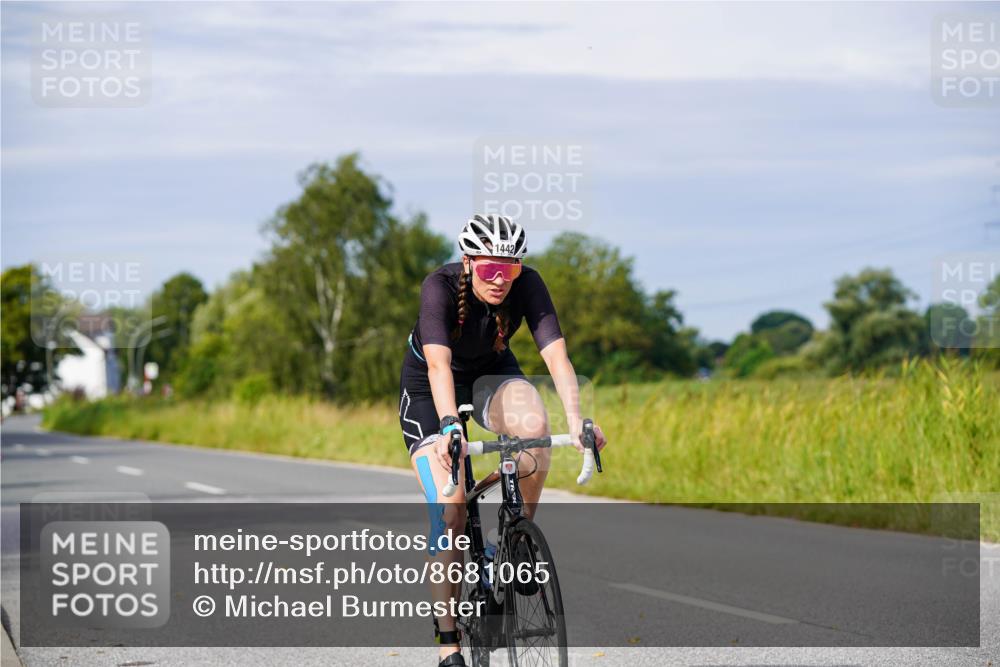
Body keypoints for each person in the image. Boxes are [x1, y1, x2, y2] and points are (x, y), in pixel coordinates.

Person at [398, 213, 608, 666]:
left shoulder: (528, 284)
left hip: (491, 374)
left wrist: (576, 419)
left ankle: (516, 539)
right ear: (468, 262)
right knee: (451, 508)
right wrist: (451, 425)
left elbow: (556, 356)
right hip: (431, 387)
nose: (500, 279)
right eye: (490, 268)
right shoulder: (439, 285)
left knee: (534, 427)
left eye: (509, 269)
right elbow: (438, 368)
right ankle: (449, 642)